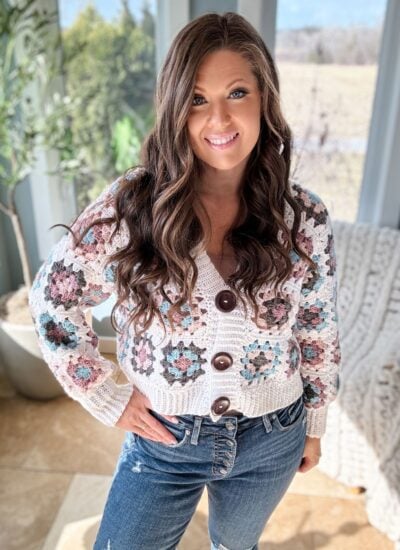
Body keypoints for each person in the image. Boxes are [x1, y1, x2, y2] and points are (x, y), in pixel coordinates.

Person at [28, 11, 341, 550]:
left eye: (237, 92)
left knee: (234, 546)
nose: (218, 118)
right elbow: (54, 299)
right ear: (175, 107)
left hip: (273, 435)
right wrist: (104, 395)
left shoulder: (303, 217)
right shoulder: (134, 204)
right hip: (164, 441)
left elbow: (317, 327)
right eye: (197, 99)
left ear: (265, 100)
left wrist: (314, 419)